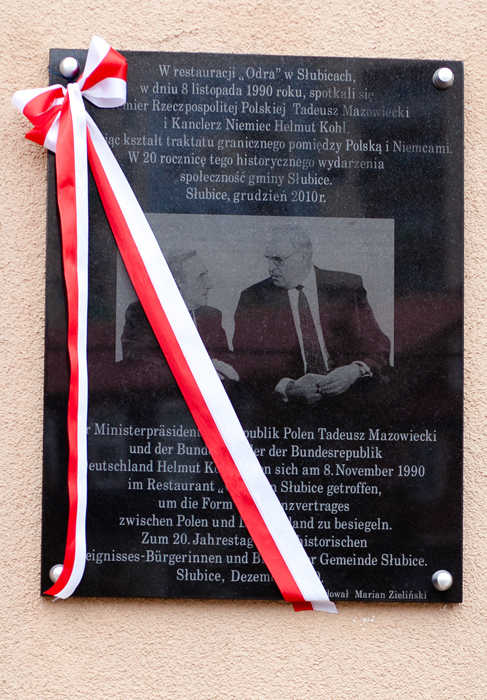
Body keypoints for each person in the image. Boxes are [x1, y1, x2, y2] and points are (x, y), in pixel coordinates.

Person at [232, 226, 390, 408]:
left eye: (278, 260)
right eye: (268, 259)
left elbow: (378, 343)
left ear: (303, 257)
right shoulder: (253, 298)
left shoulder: (346, 287)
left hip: (350, 397)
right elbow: (245, 361)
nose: (270, 268)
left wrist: (353, 370)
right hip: (290, 406)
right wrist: (288, 388)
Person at [121, 250, 238, 387]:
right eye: (200, 277)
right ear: (177, 283)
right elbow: (140, 371)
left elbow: (228, 361)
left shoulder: (212, 316)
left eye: (206, 275)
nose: (209, 284)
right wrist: (195, 370)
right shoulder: (143, 314)